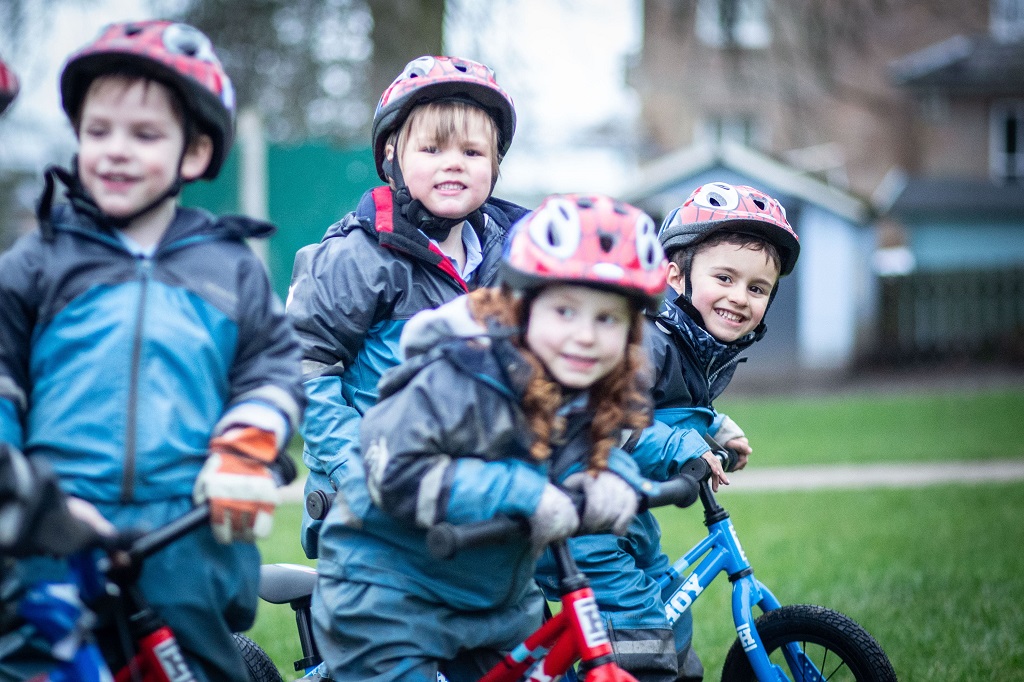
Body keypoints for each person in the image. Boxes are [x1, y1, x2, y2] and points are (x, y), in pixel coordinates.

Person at [0, 21, 304, 681]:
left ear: (194, 154)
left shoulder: (231, 268)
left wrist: (247, 449)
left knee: (195, 665)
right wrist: (21, 500)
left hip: (190, 533)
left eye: (144, 135)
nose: (114, 150)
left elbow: (272, 372)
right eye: (98, 131)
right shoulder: (37, 261)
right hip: (54, 532)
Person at [310, 194, 668, 682]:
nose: (585, 336)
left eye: (607, 319)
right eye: (565, 311)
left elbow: (582, 453)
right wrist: (523, 493)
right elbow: (393, 471)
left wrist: (609, 479)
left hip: (496, 605)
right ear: (521, 307)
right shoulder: (459, 375)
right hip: (389, 597)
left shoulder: (585, 388)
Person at [535, 182, 801, 682]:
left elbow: (676, 407)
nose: (738, 297)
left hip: (622, 514)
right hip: (575, 517)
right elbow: (607, 422)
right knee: (640, 626)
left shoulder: (700, 348)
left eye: (757, 288)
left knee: (669, 617)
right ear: (675, 275)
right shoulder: (646, 343)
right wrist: (684, 444)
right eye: (724, 277)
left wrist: (715, 425)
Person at [287, 54, 528, 559]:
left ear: (495, 165)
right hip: (373, 505)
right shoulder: (357, 257)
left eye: (472, 151)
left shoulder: (517, 262)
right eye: (432, 148)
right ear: (392, 155)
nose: (454, 162)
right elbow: (305, 369)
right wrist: (361, 467)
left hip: (475, 501)